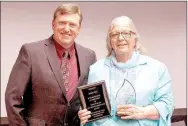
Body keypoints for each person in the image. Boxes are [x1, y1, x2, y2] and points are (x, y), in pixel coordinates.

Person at [5, 3, 97, 126]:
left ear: (79, 29)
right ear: (53, 24)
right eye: (62, 23)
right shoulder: (31, 52)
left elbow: (91, 97)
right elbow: (12, 99)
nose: (67, 28)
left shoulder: (89, 56)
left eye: (72, 24)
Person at [78, 16, 174, 126]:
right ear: (110, 41)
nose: (120, 38)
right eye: (115, 34)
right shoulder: (96, 69)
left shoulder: (157, 68)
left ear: (135, 39)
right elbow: (92, 109)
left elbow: (167, 105)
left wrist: (142, 112)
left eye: (126, 33)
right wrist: (85, 115)